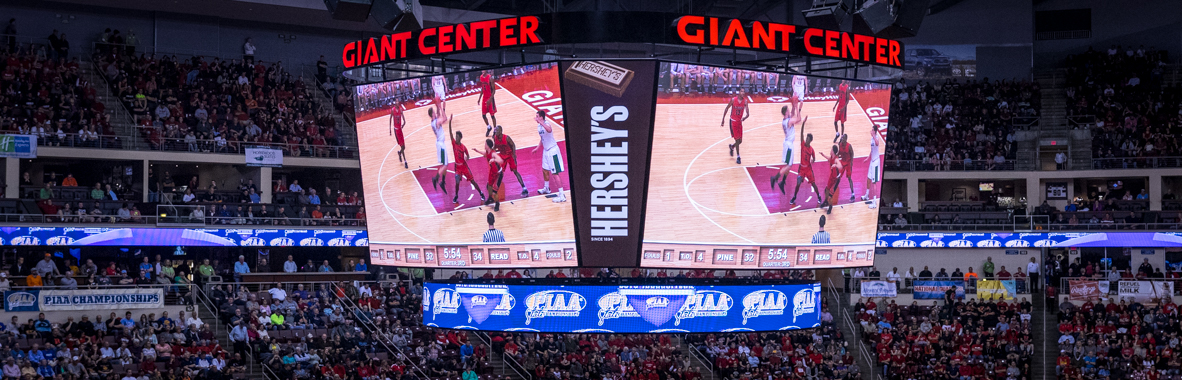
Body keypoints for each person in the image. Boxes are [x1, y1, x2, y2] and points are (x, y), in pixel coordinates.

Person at [449, 116, 485, 204]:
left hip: (464, 167)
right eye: (456, 136)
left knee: (472, 181)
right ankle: (456, 196)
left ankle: (481, 193)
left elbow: (468, 156)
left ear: (460, 138)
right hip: (457, 167)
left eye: (457, 137)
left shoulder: (463, 147)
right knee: (457, 181)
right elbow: (450, 133)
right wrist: (450, 122)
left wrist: (466, 158)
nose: (456, 138)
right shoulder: (454, 143)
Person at [533, 110, 566, 203]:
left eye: (537, 116)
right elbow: (542, 138)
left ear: (541, 117)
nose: (535, 118)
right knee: (544, 170)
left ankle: (562, 195)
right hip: (546, 151)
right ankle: (546, 188)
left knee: (555, 173)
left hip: (553, 151)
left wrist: (541, 123)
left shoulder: (547, 124)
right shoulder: (539, 126)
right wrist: (537, 147)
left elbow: (549, 130)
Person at [770, 106, 803, 193]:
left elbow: (791, 115)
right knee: (789, 165)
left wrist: (793, 105)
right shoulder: (789, 121)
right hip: (789, 146)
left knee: (789, 165)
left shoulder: (785, 120)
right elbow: (799, 119)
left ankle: (783, 182)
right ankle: (775, 178)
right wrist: (796, 107)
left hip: (787, 143)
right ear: (785, 113)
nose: (789, 111)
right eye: (788, 110)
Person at [492, 125, 528, 197]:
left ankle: (524, 188)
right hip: (502, 156)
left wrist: (514, 155)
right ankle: (495, 190)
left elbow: (513, 145)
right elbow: (495, 147)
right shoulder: (495, 138)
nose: (496, 132)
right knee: (499, 172)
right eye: (495, 130)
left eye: (497, 130)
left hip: (510, 155)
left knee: (515, 171)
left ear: (501, 131)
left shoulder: (507, 138)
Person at [789, 125, 820, 205]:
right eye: (806, 138)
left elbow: (814, 157)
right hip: (802, 169)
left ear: (810, 141)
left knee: (813, 184)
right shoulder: (802, 145)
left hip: (808, 169)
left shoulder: (811, 149)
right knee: (798, 183)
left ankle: (819, 196)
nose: (806, 140)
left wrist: (813, 160)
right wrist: (803, 124)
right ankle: (794, 197)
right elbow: (801, 133)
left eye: (808, 139)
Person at [720, 88, 749, 164]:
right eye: (742, 91)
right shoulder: (733, 100)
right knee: (737, 140)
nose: (743, 93)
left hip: (739, 122)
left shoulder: (745, 101)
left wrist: (745, 118)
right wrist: (723, 119)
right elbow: (726, 108)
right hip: (733, 122)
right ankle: (738, 157)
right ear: (739, 92)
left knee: (740, 141)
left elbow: (748, 114)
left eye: (744, 92)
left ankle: (732, 147)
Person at [428, 100, 451, 194]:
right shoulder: (436, 122)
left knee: (445, 164)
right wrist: (441, 107)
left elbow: (438, 116)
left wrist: (437, 106)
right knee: (445, 165)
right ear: (432, 114)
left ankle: (443, 181)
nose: (435, 113)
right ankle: (435, 178)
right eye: (433, 112)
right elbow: (445, 118)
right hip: (441, 145)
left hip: (440, 143)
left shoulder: (433, 121)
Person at [864, 124, 884, 201]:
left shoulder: (876, 138)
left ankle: (874, 201)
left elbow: (877, 143)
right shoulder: (871, 139)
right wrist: (868, 158)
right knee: (868, 179)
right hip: (872, 161)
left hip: (876, 162)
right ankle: (866, 195)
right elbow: (872, 150)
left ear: (875, 131)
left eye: (872, 130)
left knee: (874, 182)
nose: (871, 131)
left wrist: (873, 136)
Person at [476, 70, 497, 136]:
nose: (482, 71)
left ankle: (495, 130)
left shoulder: (490, 78)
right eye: (482, 70)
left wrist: (490, 99)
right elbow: (482, 88)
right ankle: (489, 127)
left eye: (484, 70)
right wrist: (479, 98)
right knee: (483, 115)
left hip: (490, 98)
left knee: (492, 115)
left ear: (486, 71)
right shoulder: (481, 77)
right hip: (484, 98)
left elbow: (494, 90)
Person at [388, 103, 408, 168]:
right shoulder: (393, 110)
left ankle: (399, 153)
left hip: (400, 129)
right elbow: (390, 119)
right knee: (402, 146)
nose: (397, 105)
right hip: (396, 130)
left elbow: (404, 119)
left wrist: (404, 123)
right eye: (396, 104)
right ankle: (405, 161)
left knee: (404, 147)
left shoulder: (400, 110)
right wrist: (390, 130)